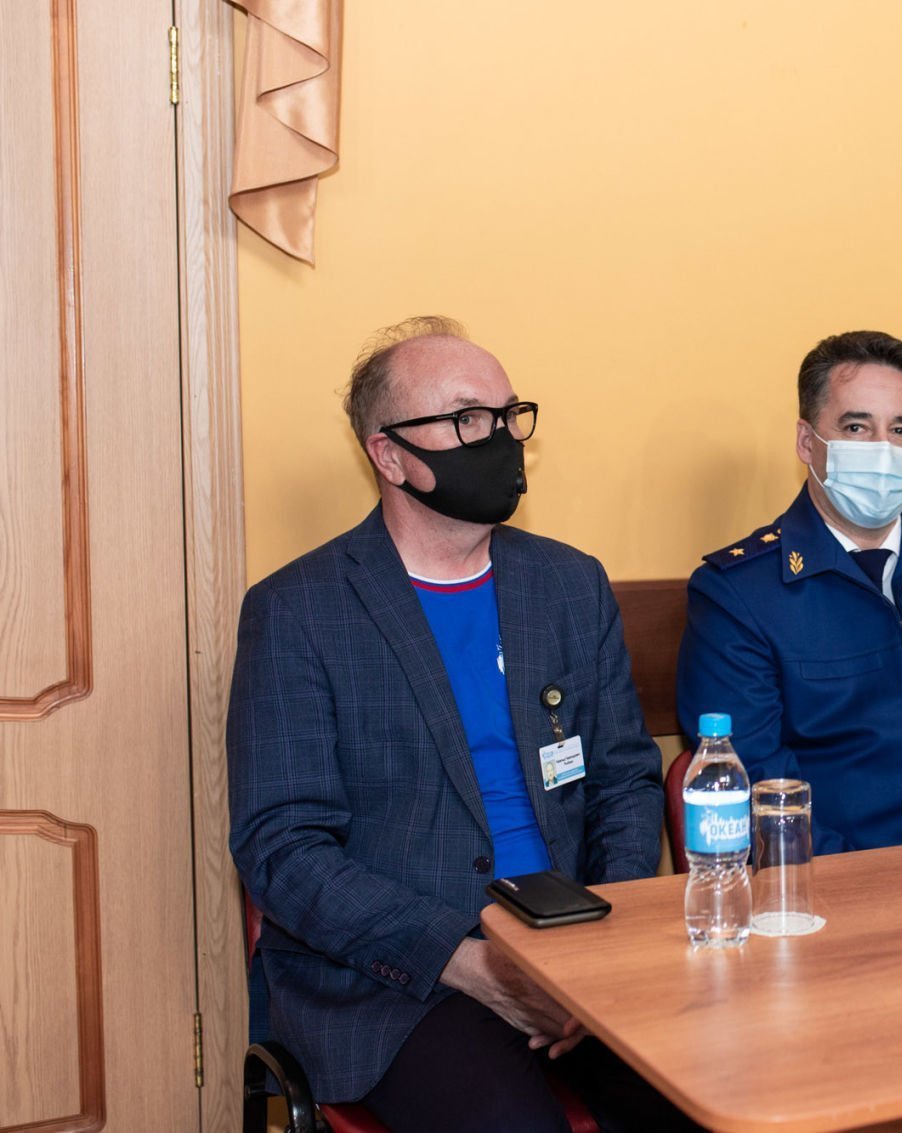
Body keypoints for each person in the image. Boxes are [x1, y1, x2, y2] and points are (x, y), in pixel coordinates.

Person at [227, 317, 685, 1132]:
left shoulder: (568, 584)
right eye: (469, 418)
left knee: (714, 1098)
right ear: (389, 454)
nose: (500, 438)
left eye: (509, 415)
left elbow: (623, 778)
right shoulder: (298, 610)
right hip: (396, 981)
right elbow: (283, 849)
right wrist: (462, 958)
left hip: (575, 940)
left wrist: (599, 940)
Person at [675, 330, 902, 853]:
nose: (883, 450)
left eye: (901, 430)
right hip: (829, 882)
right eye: (856, 427)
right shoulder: (738, 593)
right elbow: (756, 786)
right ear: (807, 442)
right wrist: (869, 887)